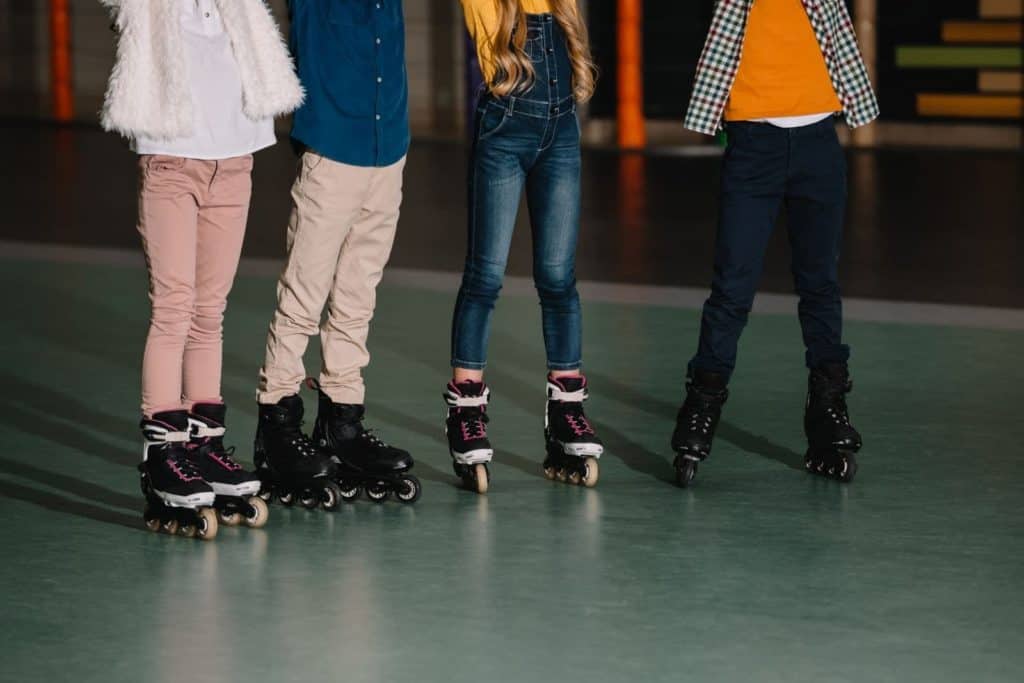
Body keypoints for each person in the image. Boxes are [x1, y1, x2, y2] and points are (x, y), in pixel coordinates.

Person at [100, 0, 305, 537]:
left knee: (209, 312)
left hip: (235, 164)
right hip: (172, 164)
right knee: (173, 308)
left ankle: (203, 444)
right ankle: (164, 452)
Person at [672, 0, 880, 487]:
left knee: (820, 284)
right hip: (752, 146)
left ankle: (827, 410)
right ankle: (702, 402)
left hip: (817, 143)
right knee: (732, 288)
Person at [254, 0, 421, 507]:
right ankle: (278, 422)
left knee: (357, 295)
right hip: (331, 150)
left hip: (388, 148)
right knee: (303, 291)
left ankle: (342, 420)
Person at [444, 0, 603, 494]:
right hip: (504, 131)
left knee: (558, 279)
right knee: (485, 277)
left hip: (561, 132)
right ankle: (466, 413)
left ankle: (566, 413)